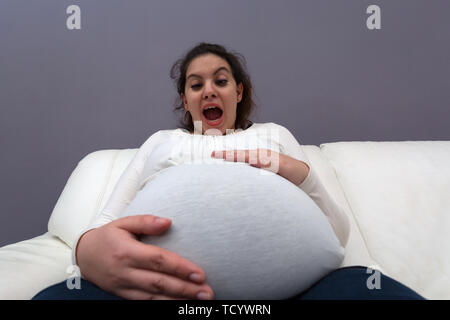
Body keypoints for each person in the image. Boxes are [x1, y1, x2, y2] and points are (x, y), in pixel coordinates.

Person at [32, 43, 424, 300]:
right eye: (195, 84)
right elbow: (106, 224)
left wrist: (298, 173)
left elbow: (336, 236)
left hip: (292, 294)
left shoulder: (274, 135)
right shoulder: (160, 142)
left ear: (238, 91)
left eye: (220, 81)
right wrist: (87, 252)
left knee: (371, 291)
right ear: (185, 100)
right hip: (161, 296)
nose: (208, 91)